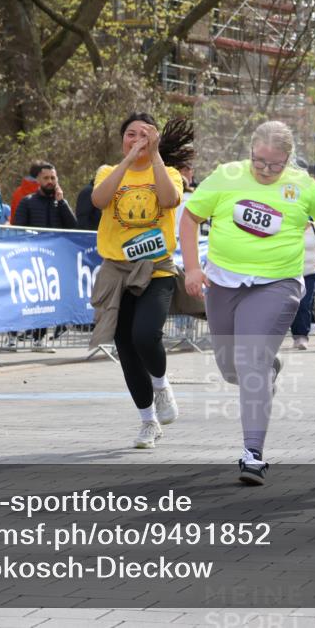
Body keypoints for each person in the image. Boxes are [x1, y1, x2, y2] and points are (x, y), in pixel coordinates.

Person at [180, 120, 315, 485]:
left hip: (278, 284)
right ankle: (267, 370)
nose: (265, 170)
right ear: (250, 153)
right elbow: (191, 217)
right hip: (224, 283)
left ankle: (252, 454)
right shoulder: (227, 177)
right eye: (259, 162)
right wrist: (193, 268)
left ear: (288, 160)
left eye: (274, 165)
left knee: (250, 361)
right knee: (232, 369)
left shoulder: (303, 186)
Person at [88, 113, 194, 449]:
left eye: (144, 135)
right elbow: (99, 200)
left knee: (145, 335)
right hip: (116, 270)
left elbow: (168, 200)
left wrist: (156, 155)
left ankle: (161, 385)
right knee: (126, 348)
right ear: (122, 140)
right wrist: (129, 160)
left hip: (156, 268)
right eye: (130, 134)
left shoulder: (170, 173)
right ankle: (148, 422)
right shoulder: (108, 172)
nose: (137, 140)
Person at [290, 218, 315, 350]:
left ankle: (302, 336)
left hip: (310, 273)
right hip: (290, 273)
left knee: (305, 303)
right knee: (294, 304)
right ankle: (296, 334)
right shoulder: (288, 225)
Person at [13, 162, 77, 229]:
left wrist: (61, 202)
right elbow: (18, 230)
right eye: (46, 178)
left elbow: (74, 228)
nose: (50, 181)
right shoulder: (27, 202)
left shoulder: (61, 203)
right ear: (38, 180)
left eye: (52, 178)